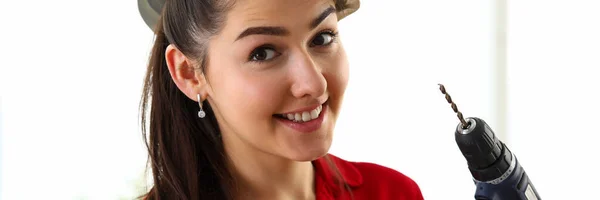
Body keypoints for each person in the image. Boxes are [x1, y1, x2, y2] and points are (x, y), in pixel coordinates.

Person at [139, 0, 424, 199]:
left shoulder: (392, 193)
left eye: (322, 38)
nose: (314, 83)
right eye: (262, 53)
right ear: (189, 74)